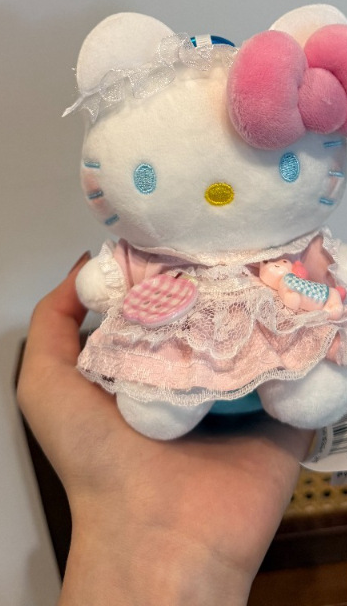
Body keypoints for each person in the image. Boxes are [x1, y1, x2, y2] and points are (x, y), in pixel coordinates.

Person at [17, 252, 313, 605]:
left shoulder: (287, 258)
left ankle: (298, 391)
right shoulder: (147, 258)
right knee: (161, 402)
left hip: (265, 355)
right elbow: (103, 283)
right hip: (177, 356)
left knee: (306, 385)